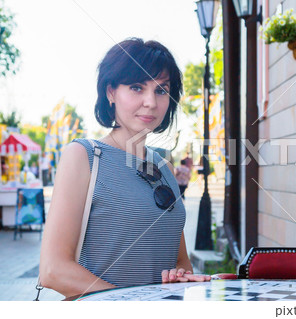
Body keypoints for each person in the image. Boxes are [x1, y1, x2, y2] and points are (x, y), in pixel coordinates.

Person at [39, 38, 210, 298]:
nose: (151, 102)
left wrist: (179, 277)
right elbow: (53, 270)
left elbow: (181, 262)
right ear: (110, 92)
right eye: (136, 87)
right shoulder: (85, 156)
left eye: (161, 90)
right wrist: (130, 302)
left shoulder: (164, 168)